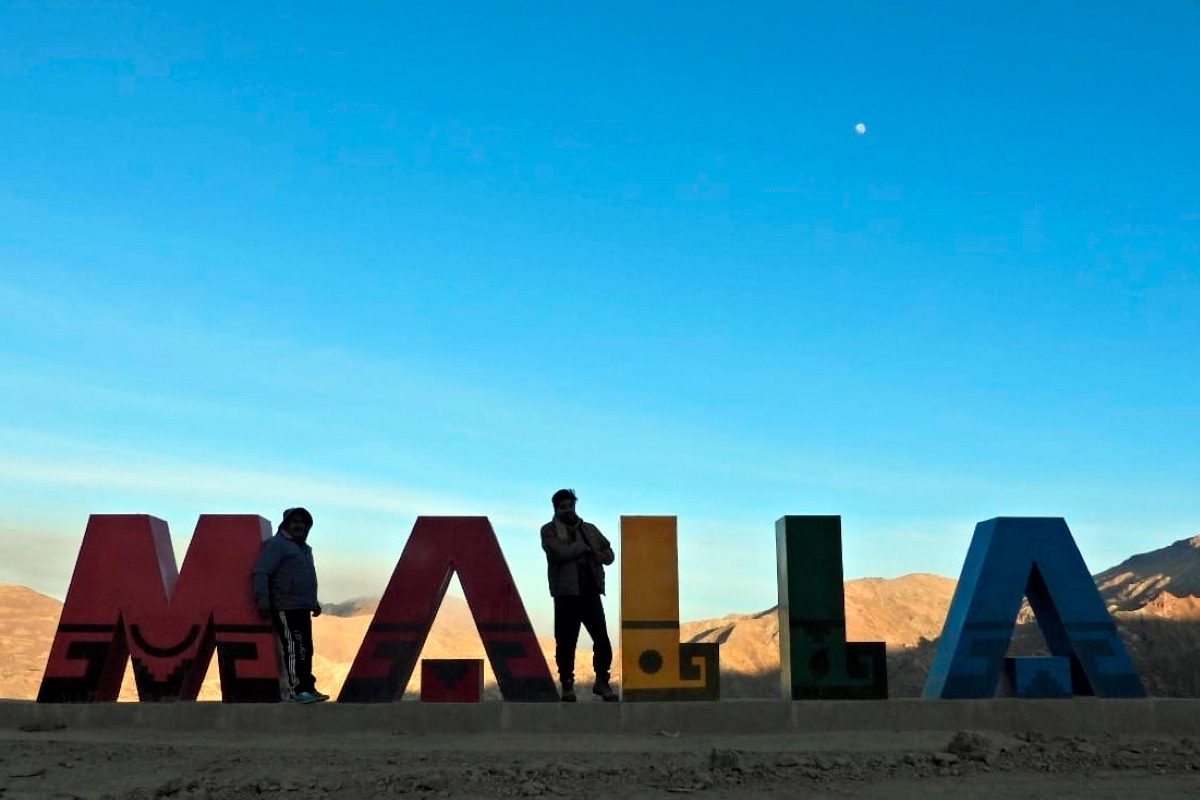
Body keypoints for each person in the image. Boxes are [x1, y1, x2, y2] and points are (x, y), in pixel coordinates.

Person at [540, 489, 618, 702]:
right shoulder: (549, 530)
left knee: (602, 639)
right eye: (562, 507)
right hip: (566, 594)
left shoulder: (589, 529)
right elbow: (558, 553)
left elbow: (609, 553)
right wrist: (582, 547)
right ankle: (567, 685)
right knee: (566, 642)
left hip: (590, 592)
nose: (567, 510)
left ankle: (602, 682)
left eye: (570, 506)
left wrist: (601, 555)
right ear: (556, 509)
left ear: (575, 506)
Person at [251, 507, 328, 704]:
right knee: (294, 648)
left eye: (303, 522)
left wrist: (313, 602)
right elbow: (261, 572)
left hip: (302, 606)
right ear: (286, 524)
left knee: (305, 649)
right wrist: (262, 599)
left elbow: (307, 578)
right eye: (294, 522)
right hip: (285, 607)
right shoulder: (277, 545)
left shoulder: (305, 549)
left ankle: (308, 688)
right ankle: (296, 690)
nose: (299, 525)